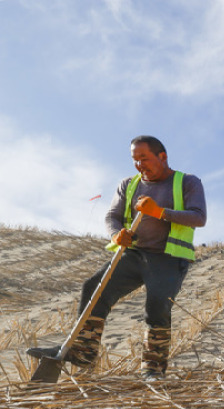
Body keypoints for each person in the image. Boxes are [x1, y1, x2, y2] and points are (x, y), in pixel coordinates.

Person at [28, 135, 207, 380]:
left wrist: (160, 212)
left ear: (162, 157)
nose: (139, 165)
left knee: (157, 306)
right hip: (134, 254)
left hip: (168, 257)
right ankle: (83, 351)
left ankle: (153, 370)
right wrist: (116, 235)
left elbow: (199, 217)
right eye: (135, 160)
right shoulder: (128, 184)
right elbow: (111, 216)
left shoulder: (187, 182)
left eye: (144, 158)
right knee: (94, 289)